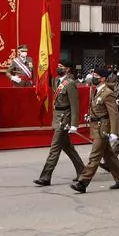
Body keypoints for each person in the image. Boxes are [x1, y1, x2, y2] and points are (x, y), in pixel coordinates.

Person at [71, 67, 119, 193]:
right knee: (109, 155)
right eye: (93, 75)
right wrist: (90, 115)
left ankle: (83, 182)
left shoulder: (108, 93)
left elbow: (113, 114)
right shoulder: (96, 90)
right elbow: (96, 107)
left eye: (96, 76)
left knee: (94, 156)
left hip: (103, 128)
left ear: (103, 78)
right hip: (96, 126)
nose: (94, 77)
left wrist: (114, 132)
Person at [34, 58, 84, 186]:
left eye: (61, 66)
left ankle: (46, 176)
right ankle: (82, 172)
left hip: (64, 119)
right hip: (57, 117)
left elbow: (74, 105)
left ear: (67, 69)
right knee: (68, 147)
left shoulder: (70, 83)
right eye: (58, 66)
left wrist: (74, 124)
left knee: (54, 148)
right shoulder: (57, 80)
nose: (58, 68)